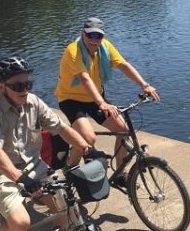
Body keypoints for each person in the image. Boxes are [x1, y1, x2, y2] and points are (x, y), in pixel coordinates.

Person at [0, 55, 92, 231]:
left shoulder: (33, 102)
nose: (24, 89)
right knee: (20, 223)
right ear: (1, 86)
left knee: (67, 210)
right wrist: (20, 179)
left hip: (34, 167)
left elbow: (61, 127)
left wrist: (86, 147)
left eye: (28, 84)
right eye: (18, 85)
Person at [54, 16, 160, 179]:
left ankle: (120, 174)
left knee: (123, 131)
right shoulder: (73, 51)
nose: (94, 40)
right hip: (71, 100)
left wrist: (144, 85)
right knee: (88, 138)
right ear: (83, 34)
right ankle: (70, 167)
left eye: (99, 36)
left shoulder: (105, 47)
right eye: (90, 35)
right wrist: (102, 103)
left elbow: (123, 65)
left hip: (94, 98)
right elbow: (84, 78)